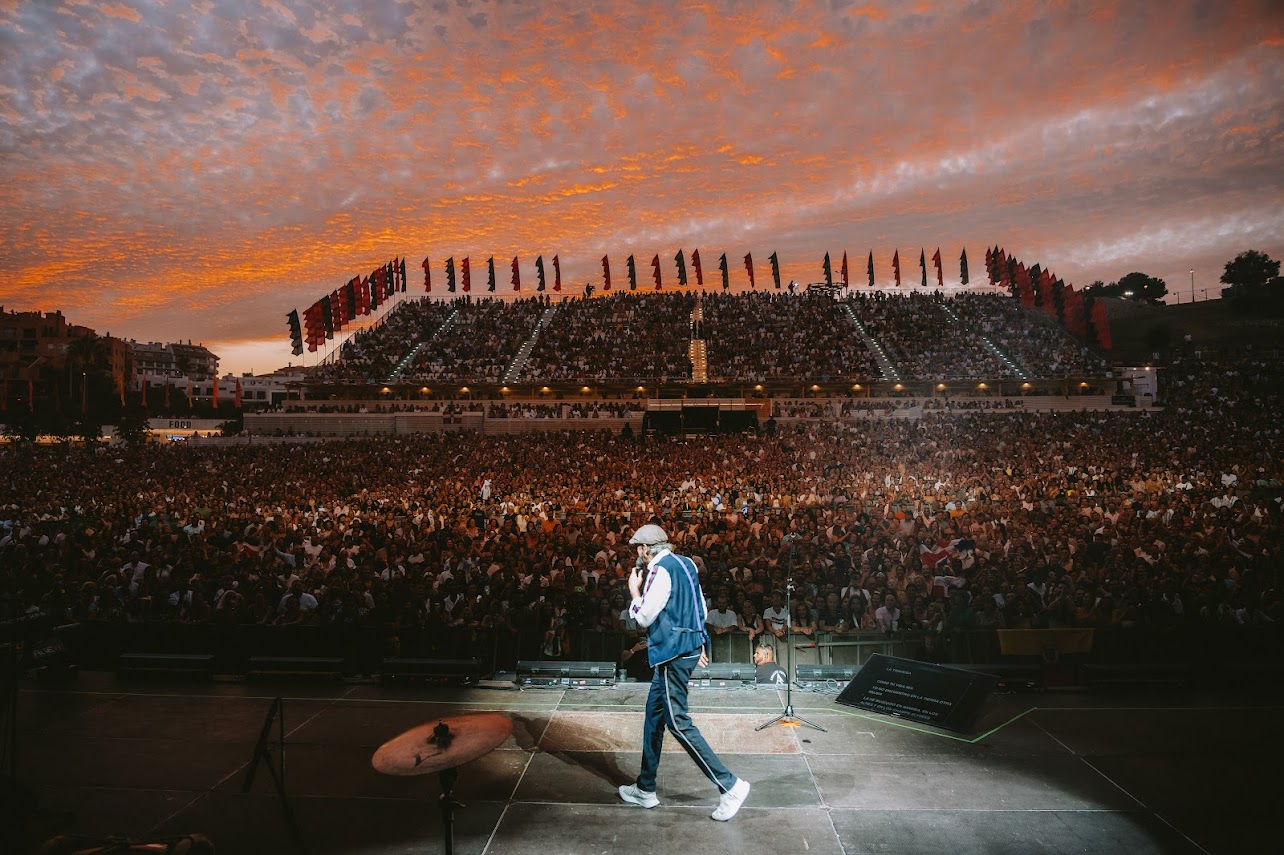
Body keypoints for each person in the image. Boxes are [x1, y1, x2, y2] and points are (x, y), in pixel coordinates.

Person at [617, 523, 751, 822]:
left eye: (637, 548)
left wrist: (634, 591)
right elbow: (699, 607)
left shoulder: (658, 571)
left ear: (645, 549)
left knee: (678, 722)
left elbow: (644, 617)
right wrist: (697, 640)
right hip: (687, 645)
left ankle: (730, 785)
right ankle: (645, 788)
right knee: (654, 717)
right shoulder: (687, 563)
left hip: (672, 653)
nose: (637, 553)